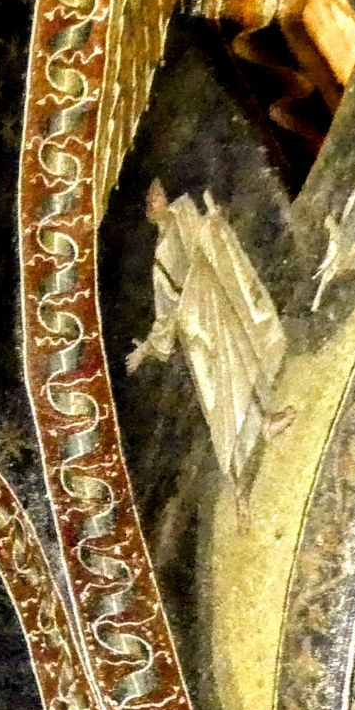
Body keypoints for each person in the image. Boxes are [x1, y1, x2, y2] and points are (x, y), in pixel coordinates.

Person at [125, 180, 294, 497]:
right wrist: (146, 348)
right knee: (229, 378)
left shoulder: (183, 211)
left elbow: (203, 233)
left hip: (214, 292)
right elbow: (165, 313)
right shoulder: (160, 258)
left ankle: (267, 418)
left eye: (161, 194)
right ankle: (244, 453)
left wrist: (214, 219)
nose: (161, 200)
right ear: (150, 212)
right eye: (154, 199)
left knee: (244, 354)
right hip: (196, 318)